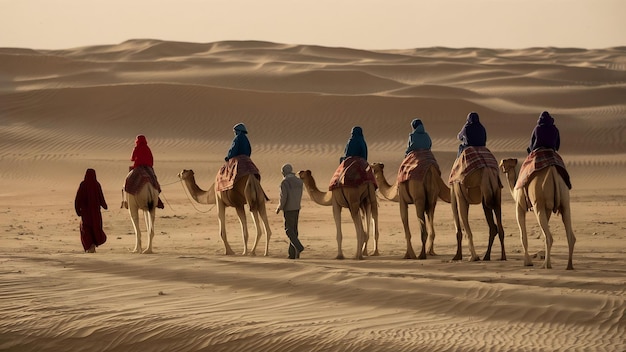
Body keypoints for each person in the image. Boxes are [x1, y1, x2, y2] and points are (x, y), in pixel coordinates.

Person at [275, 163, 305, 259]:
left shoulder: (284, 182)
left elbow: (283, 197)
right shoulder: (299, 182)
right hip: (296, 208)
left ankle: (299, 247)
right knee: (294, 231)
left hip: (288, 209)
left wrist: (279, 207)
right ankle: (292, 254)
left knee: (288, 230)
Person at [75, 168, 108, 253]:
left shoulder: (83, 184)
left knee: (86, 230)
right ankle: (92, 246)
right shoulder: (97, 184)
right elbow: (101, 197)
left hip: (86, 214)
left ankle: (90, 246)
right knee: (95, 229)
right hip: (96, 214)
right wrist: (104, 206)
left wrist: (78, 211)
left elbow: (77, 199)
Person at [130, 134, 164, 208]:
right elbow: (151, 159)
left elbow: (132, 159)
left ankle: (128, 197)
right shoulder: (147, 148)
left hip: (138, 167)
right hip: (148, 167)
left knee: (129, 180)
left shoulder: (136, 148)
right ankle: (157, 198)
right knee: (154, 179)